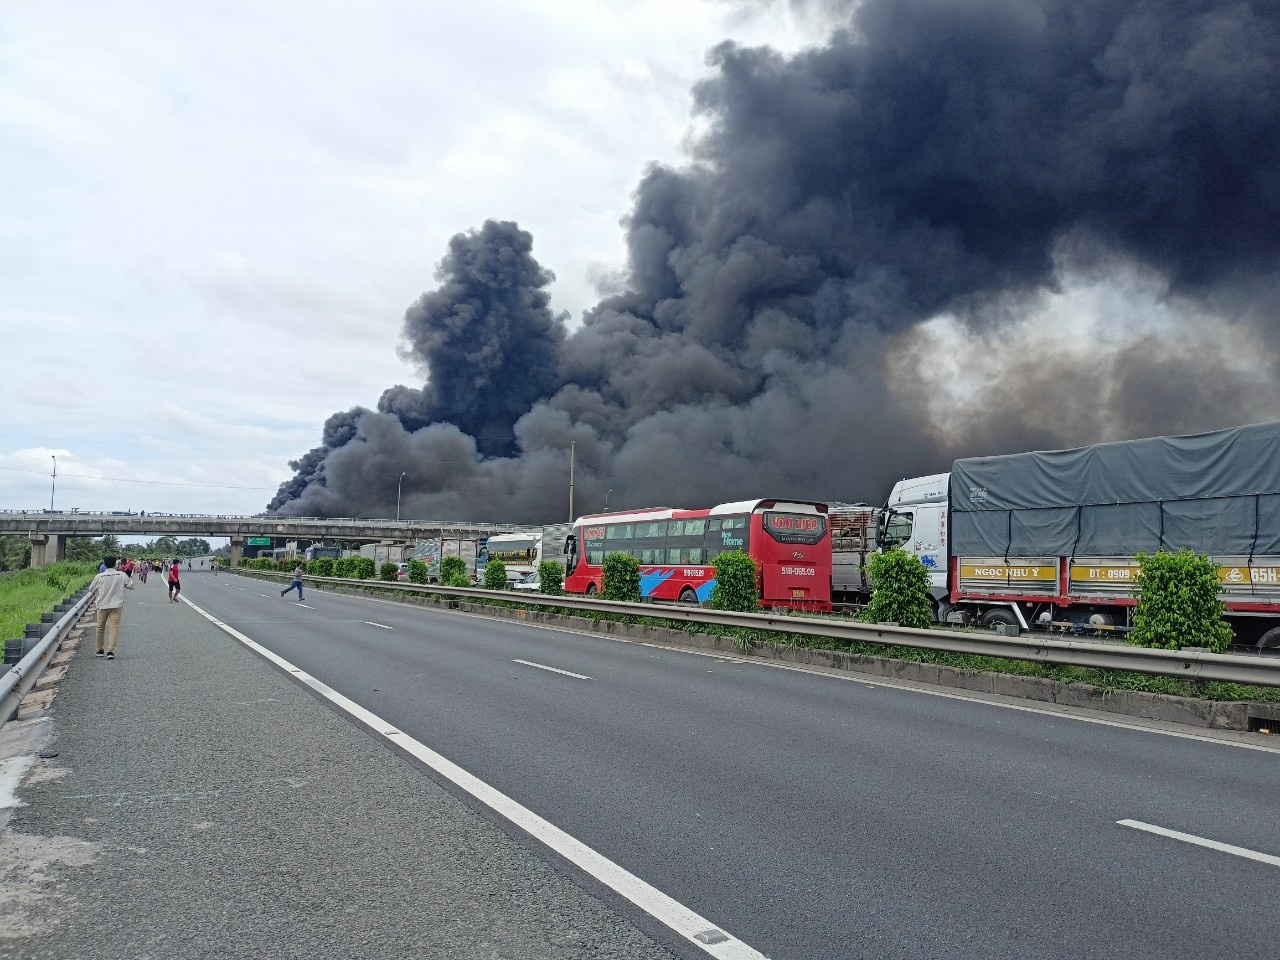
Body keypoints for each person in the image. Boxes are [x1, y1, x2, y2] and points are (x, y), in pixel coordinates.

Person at [88, 556, 134, 660]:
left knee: (100, 627)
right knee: (114, 628)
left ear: (104, 564)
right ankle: (110, 651)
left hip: (102, 605)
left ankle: (100, 649)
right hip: (116, 605)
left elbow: (91, 589)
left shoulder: (100, 576)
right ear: (115, 564)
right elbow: (131, 586)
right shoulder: (121, 575)